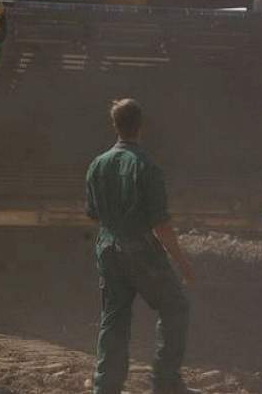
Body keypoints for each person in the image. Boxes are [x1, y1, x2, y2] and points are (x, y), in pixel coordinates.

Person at [86, 99, 198, 394]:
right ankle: (166, 383)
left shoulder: (97, 164)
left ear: (115, 126)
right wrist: (183, 264)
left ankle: (105, 387)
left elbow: (94, 213)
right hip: (141, 251)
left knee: (115, 316)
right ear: (141, 126)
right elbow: (160, 225)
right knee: (175, 306)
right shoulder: (146, 167)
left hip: (108, 249)